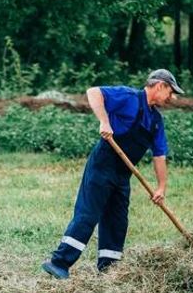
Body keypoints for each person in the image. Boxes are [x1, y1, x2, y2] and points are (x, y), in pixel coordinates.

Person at [41, 69, 184, 279]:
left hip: (123, 174)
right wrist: (104, 121)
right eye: (171, 92)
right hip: (103, 165)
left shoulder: (155, 120)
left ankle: (109, 270)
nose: (172, 98)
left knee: (117, 221)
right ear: (159, 85)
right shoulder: (128, 97)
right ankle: (59, 263)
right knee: (89, 213)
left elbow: (160, 154)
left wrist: (161, 187)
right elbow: (93, 92)